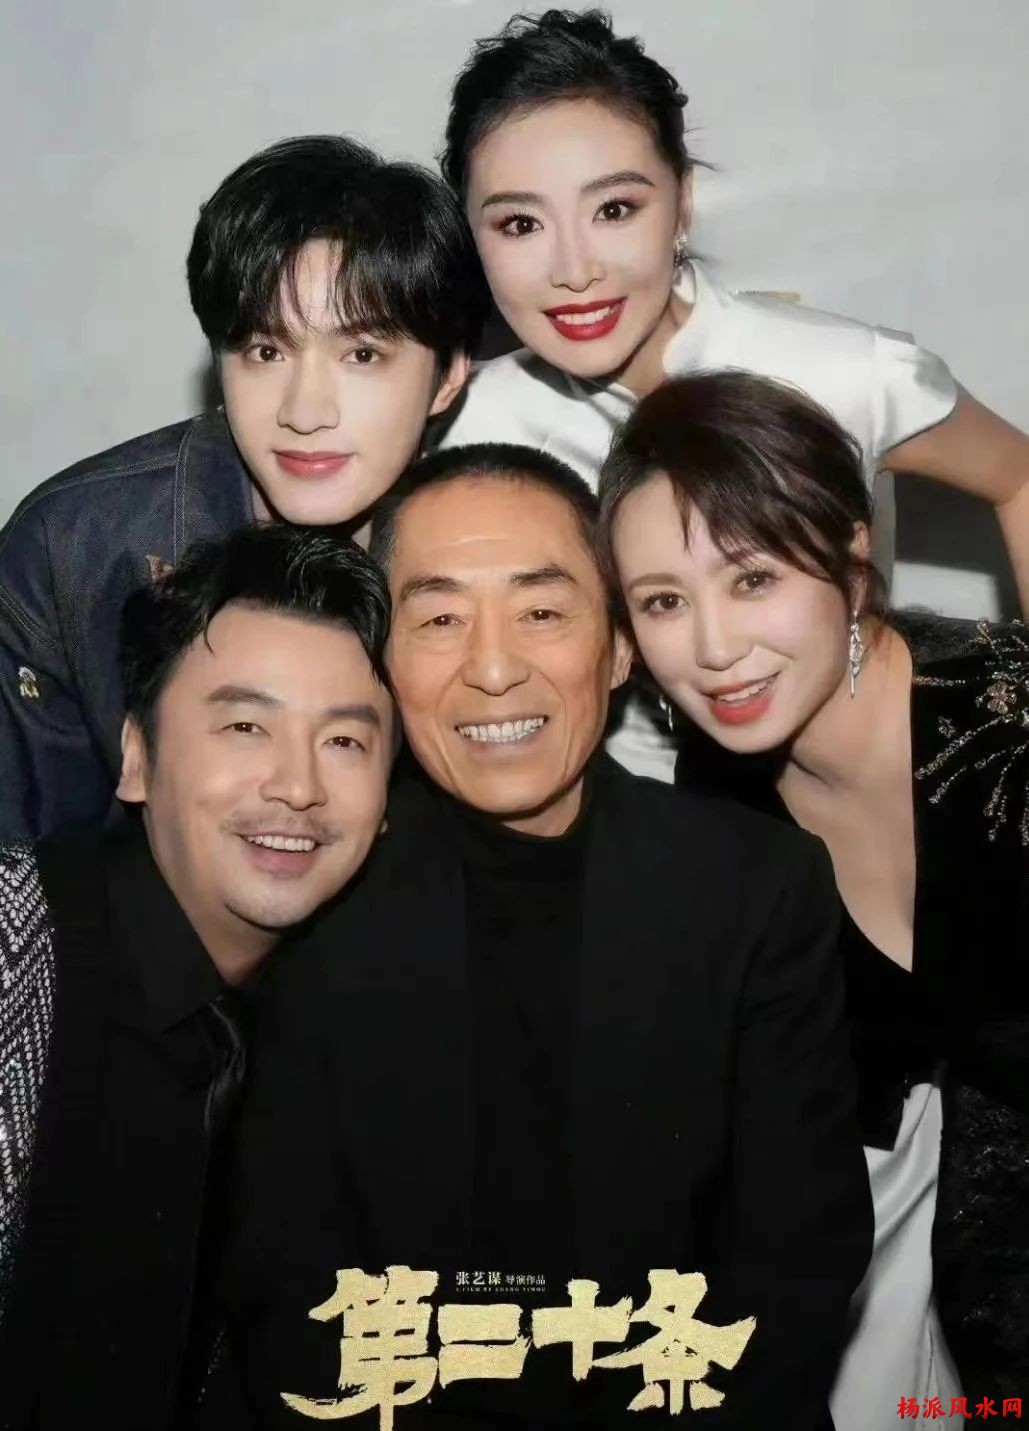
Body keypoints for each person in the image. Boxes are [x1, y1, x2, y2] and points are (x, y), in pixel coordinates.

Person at [225, 444, 871, 1430]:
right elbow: (285, 1280)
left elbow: (793, 1265)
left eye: (540, 612)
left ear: (617, 649)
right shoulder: (315, 884)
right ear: (382, 662)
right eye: (439, 619)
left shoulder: (751, 888)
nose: (493, 669)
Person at [436, 7, 1029, 781]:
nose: (574, 269)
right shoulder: (466, 427)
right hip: (622, 814)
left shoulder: (839, 371)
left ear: (681, 204)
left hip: (857, 781)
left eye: (614, 209)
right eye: (519, 224)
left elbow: (1017, 475)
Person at [599, 370, 1029, 1424]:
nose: (713, 647)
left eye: (752, 578)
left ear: (849, 552)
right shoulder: (724, 798)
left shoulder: (1006, 733)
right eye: (663, 601)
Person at [0, 523, 396, 1430]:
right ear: (136, 756)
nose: (298, 785)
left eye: (345, 741)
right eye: (246, 726)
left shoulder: (320, 1040)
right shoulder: (17, 946)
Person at [0, 133, 486, 839]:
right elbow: (22, 860)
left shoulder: (493, 553)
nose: (304, 411)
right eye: (265, 350)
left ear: (447, 375)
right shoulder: (76, 544)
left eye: (361, 354)